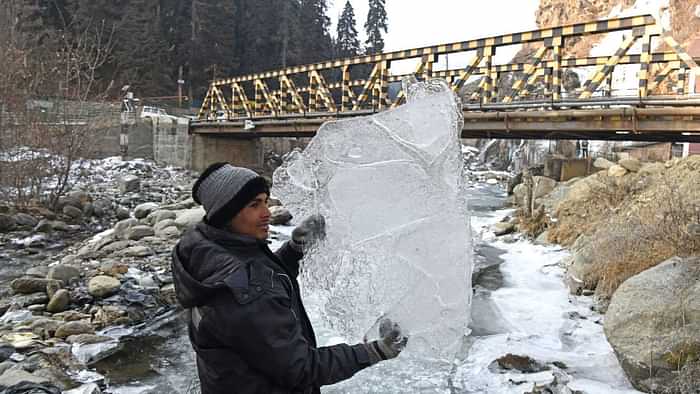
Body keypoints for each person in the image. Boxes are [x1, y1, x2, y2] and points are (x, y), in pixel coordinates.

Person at [171, 163, 407, 394]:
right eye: (254, 205)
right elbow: (301, 368)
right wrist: (374, 351)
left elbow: (257, 284)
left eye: (266, 201)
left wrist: (294, 250)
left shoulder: (205, 248)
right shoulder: (245, 290)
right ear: (226, 213)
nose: (267, 213)